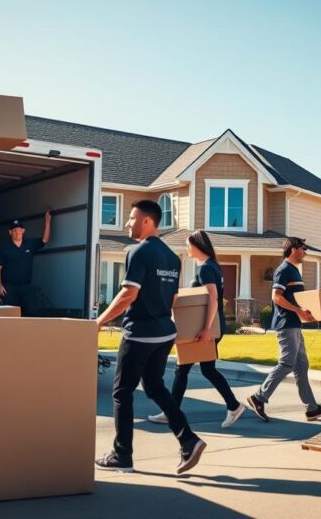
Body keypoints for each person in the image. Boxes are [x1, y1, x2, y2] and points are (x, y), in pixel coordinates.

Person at [94, 200, 207, 475]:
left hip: (140, 334)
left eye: (131, 218)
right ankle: (188, 440)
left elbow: (128, 294)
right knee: (155, 387)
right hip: (164, 333)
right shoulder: (171, 256)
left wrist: (99, 321)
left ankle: (122, 456)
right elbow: (173, 298)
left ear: (147, 221)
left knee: (121, 392)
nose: (127, 224)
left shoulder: (138, 251)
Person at [148, 230, 246, 429]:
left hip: (205, 327)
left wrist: (206, 329)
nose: (186, 249)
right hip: (207, 325)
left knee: (183, 368)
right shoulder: (212, 266)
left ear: (197, 246)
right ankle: (233, 406)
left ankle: (172, 412)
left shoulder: (206, 269)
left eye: (188, 245)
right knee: (203, 369)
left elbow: (213, 298)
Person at [246, 237, 321, 423]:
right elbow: (276, 297)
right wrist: (298, 311)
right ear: (293, 249)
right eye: (303, 248)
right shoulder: (284, 270)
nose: (306, 251)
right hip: (286, 324)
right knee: (286, 363)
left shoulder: (294, 271)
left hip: (295, 324)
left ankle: (312, 409)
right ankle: (258, 398)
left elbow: (294, 300)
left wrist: (306, 312)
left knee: (301, 366)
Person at [0, 209, 52, 315]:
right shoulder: (4, 248)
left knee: (32, 314)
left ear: (23, 231)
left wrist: (47, 222)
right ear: (10, 232)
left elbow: (45, 240)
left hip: (26, 287)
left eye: (19, 230)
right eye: (14, 230)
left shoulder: (29, 244)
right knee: (10, 315)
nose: (17, 232)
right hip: (9, 288)